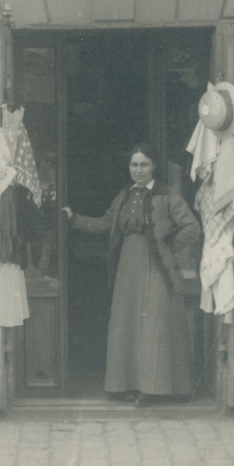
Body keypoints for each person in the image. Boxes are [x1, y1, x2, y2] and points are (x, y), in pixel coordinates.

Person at [61, 142, 201, 405]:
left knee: (152, 325)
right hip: (127, 267)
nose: (138, 170)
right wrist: (74, 219)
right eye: (134, 165)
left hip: (156, 267)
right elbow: (105, 223)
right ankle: (124, 384)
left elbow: (192, 228)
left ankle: (152, 388)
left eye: (144, 164)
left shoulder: (167, 195)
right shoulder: (124, 195)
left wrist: (167, 246)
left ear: (154, 166)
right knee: (127, 324)